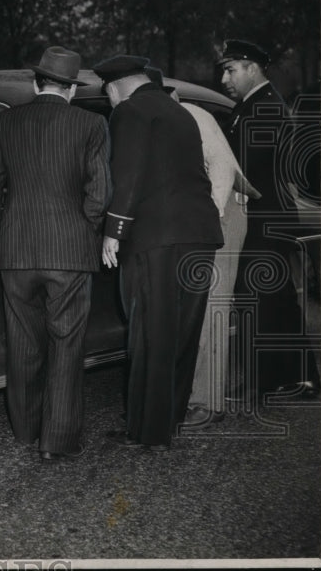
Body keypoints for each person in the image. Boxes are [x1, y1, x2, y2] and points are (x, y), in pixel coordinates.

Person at [0, 46, 110, 464]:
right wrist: (80, 229)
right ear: (71, 90)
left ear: (36, 84)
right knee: (67, 345)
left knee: (23, 342)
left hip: (16, 250)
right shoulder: (92, 124)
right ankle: (58, 440)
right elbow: (100, 193)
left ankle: (25, 429)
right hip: (69, 252)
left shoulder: (3, 123)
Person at [94, 55, 222, 452]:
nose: (110, 101)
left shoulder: (130, 111)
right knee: (181, 332)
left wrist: (113, 231)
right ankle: (170, 420)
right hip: (199, 236)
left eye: (108, 95)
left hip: (155, 240)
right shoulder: (180, 111)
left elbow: (127, 174)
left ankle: (146, 433)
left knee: (149, 333)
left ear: (115, 89)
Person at [146, 68, 254, 425]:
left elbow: (222, 168)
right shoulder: (167, 119)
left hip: (221, 214)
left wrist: (214, 217)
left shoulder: (192, 116)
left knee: (211, 307)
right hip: (202, 217)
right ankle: (191, 393)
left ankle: (208, 404)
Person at [217, 39, 313, 400]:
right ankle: (299, 376)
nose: (224, 77)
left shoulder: (266, 106)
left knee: (259, 298)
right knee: (275, 297)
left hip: (265, 216)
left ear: (252, 68)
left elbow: (244, 162)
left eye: (230, 69)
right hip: (264, 215)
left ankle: (267, 380)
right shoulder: (251, 105)